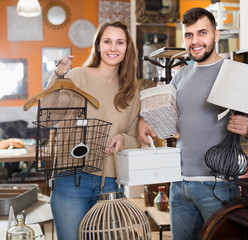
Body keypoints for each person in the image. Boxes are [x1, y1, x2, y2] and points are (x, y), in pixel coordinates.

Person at [137, 7, 248, 240]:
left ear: (216, 35)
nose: (195, 41)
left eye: (202, 33)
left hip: (217, 186)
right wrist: (143, 121)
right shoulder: (182, 75)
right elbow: (168, 117)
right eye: (189, 35)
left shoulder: (237, 74)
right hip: (180, 184)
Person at [40, 21, 140, 240]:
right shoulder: (78, 76)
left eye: (120, 42)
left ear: (127, 48)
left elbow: (135, 138)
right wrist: (57, 76)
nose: (113, 48)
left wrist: (123, 139)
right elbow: (48, 118)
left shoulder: (131, 91)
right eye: (107, 41)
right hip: (71, 179)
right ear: (98, 45)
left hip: (110, 182)